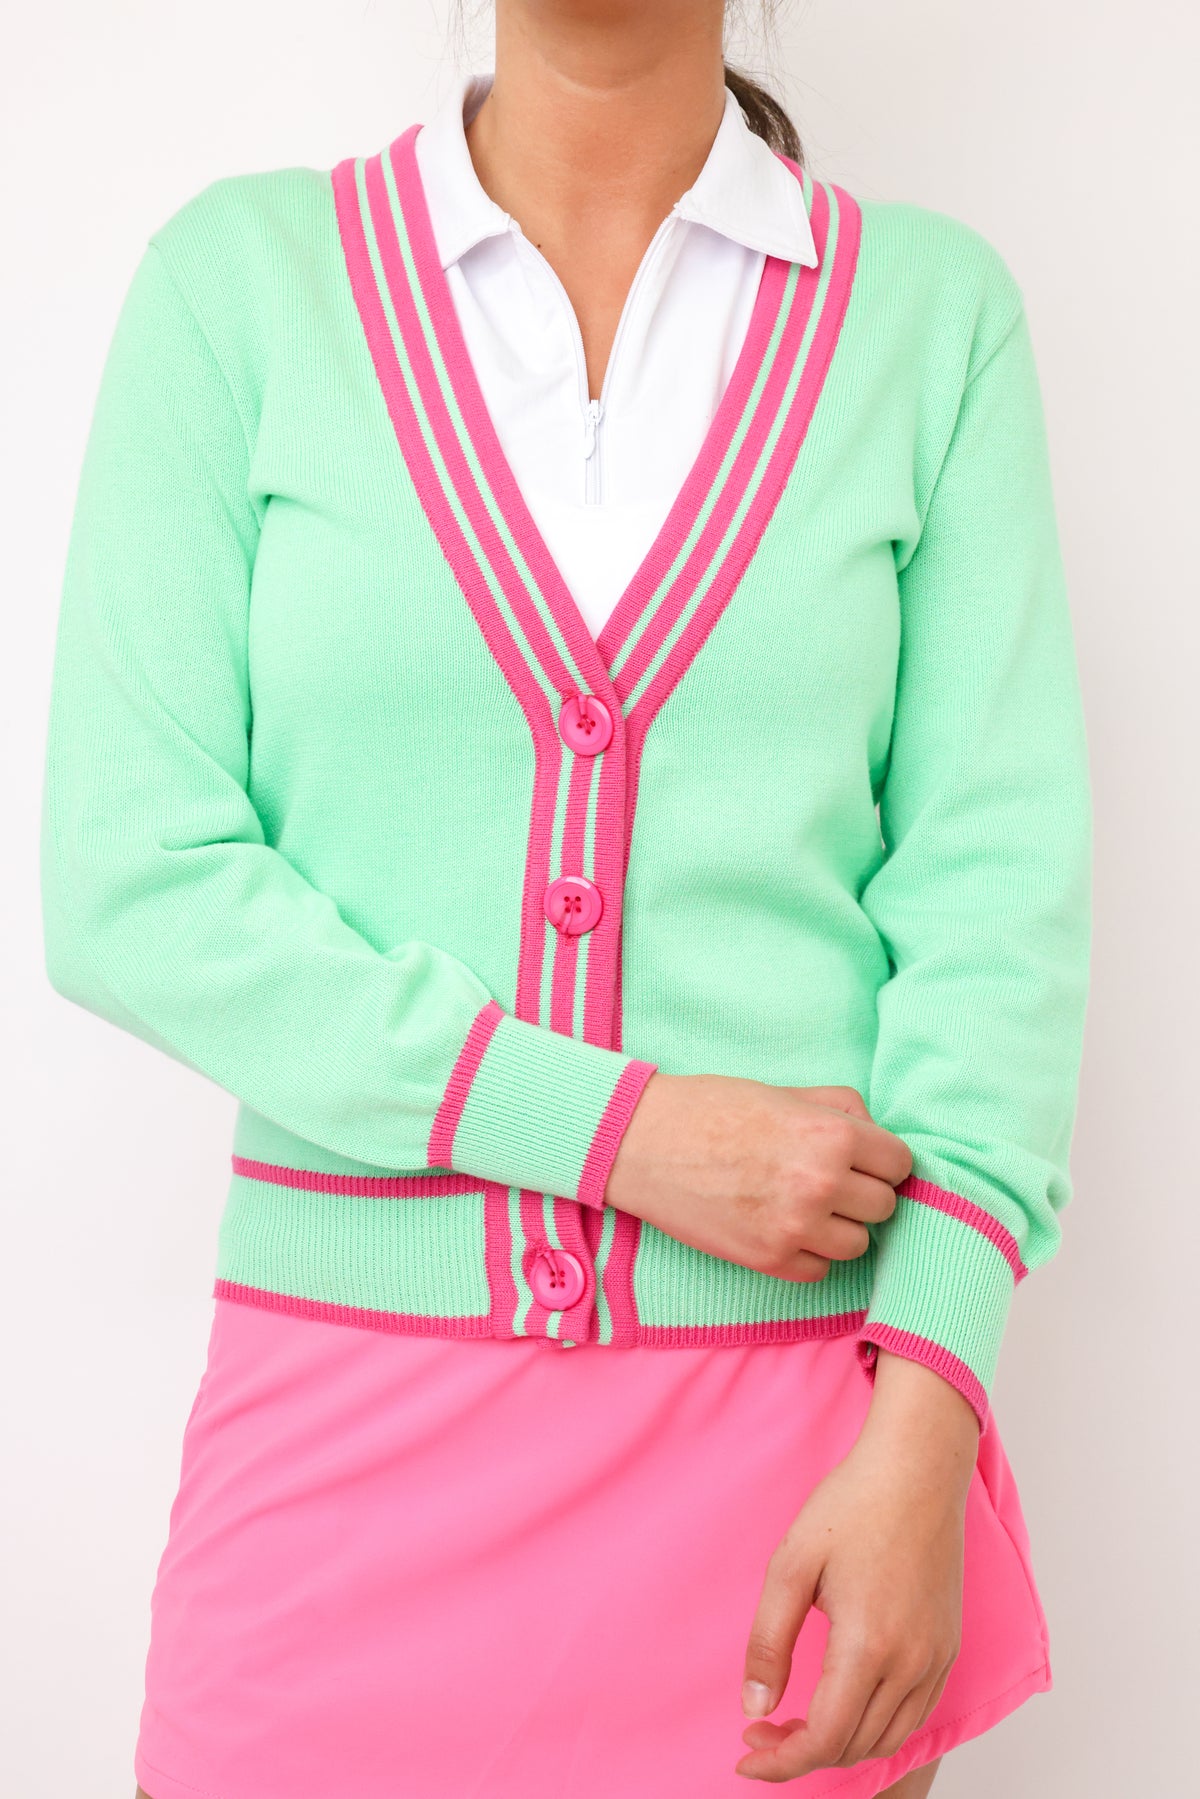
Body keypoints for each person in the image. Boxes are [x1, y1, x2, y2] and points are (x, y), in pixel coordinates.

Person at [40, 3, 1092, 1795]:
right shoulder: (240, 289)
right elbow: (129, 875)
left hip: (795, 1459)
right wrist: (620, 1133)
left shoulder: (932, 320)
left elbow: (995, 902)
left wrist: (930, 1421)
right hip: (337, 1441)